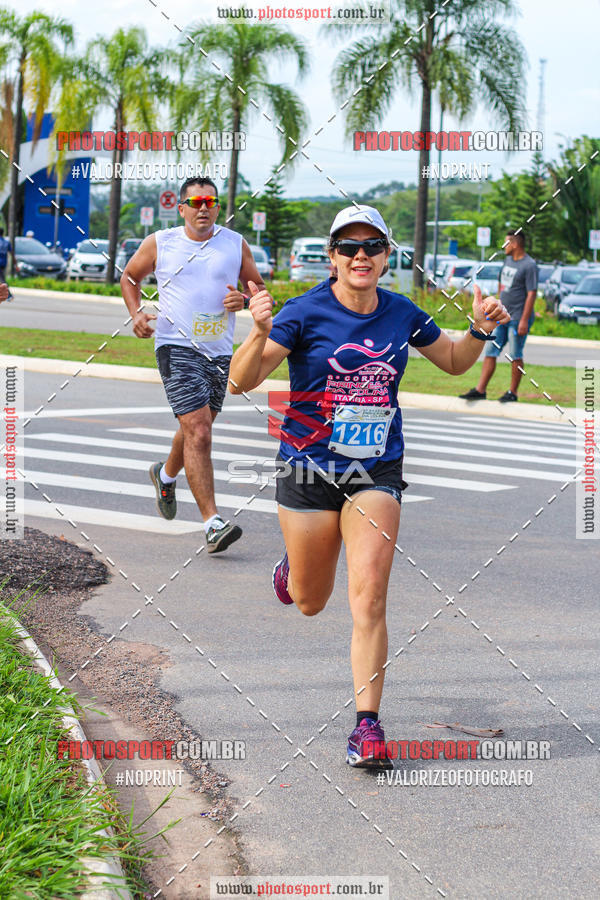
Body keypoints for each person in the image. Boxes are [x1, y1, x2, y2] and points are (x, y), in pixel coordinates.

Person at [229, 205, 510, 768]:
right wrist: (258, 333)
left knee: (371, 594)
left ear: (386, 257)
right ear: (332, 257)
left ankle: (367, 727)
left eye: (372, 247)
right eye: (348, 248)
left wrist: (481, 329)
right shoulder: (302, 312)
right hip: (308, 469)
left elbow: (454, 362)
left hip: (375, 471)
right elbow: (240, 382)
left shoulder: (401, 312)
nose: (361, 256)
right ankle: (293, 568)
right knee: (311, 602)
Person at [121, 176, 267, 553]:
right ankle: (212, 523)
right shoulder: (162, 242)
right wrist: (136, 313)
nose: (204, 208)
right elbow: (130, 277)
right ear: (182, 208)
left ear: (218, 207)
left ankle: (165, 475)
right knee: (199, 431)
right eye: (196, 202)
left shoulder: (235, 244)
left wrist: (244, 300)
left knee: (195, 429)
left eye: (211, 202)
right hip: (175, 346)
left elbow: (260, 291)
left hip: (219, 353)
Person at [459, 230, 538, 403]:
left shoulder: (529, 265)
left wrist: (524, 320)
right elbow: (502, 286)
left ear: (515, 244)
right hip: (501, 315)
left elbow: (532, 294)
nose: (504, 247)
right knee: (490, 351)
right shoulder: (508, 261)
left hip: (518, 317)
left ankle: (513, 393)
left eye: (506, 243)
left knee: (515, 354)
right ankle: (480, 390)